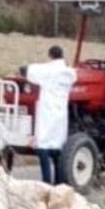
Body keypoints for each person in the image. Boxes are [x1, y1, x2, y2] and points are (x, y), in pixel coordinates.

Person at [26, 45, 77, 185]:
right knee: (58, 147)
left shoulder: (47, 70)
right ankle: (59, 181)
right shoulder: (70, 73)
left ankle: (46, 181)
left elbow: (30, 71)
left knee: (43, 146)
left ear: (50, 56)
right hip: (60, 113)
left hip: (47, 112)